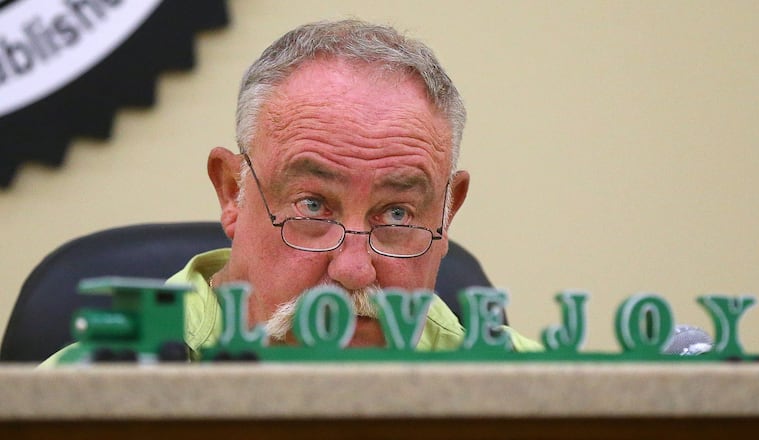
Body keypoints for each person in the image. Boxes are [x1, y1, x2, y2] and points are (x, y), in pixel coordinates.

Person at [44, 19, 540, 365]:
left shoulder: (537, 396)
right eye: (312, 205)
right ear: (231, 192)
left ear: (447, 215)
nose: (352, 269)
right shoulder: (88, 396)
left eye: (396, 214)